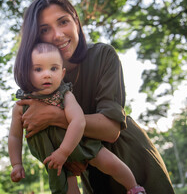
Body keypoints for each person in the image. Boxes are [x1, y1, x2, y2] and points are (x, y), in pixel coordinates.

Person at [15, 0, 175, 194]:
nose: (57, 35)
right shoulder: (37, 85)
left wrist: (54, 117)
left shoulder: (103, 55)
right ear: (35, 37)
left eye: (63, 21)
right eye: (45, 30)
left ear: (76, 22)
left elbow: (110, 129)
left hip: (129, 161)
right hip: (90, 169)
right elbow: (36, 137)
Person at [8, 42, 146, 194]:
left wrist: (64, 152)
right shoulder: (21, 106)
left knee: (109, 162)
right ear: (27, 73)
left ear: (62, 73)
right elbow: (15, 136)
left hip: (80, 143)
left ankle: (134, 188)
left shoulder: (64, 95)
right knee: (66, 188)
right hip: (53, 155)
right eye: (38, 69)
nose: (47, 74)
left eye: (53, 68)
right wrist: (16, 164)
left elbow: (78, 121)